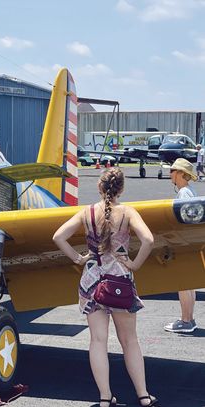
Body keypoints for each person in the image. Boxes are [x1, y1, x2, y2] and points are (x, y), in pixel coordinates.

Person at [53, 168, 157, 407]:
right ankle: (143, 396)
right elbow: (149, 240)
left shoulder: (86, 212)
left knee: (97, 341)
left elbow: (58, 236)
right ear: (120, 189)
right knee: (129, 340)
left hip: (92, 281)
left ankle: (104, 398)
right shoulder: (128, 212)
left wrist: (78, 259)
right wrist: (135, 264)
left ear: (100, 188)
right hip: (120, 279)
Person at [164, 158, 198, 333]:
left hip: (185, 244)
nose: (170, 174)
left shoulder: (184, 193)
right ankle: (189, 319)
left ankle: (186, 320)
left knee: (183, 283)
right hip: (192, 243)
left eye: (172, 170)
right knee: (189, 284)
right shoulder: (189, 191)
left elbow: (184, 221)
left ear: (180, 174)